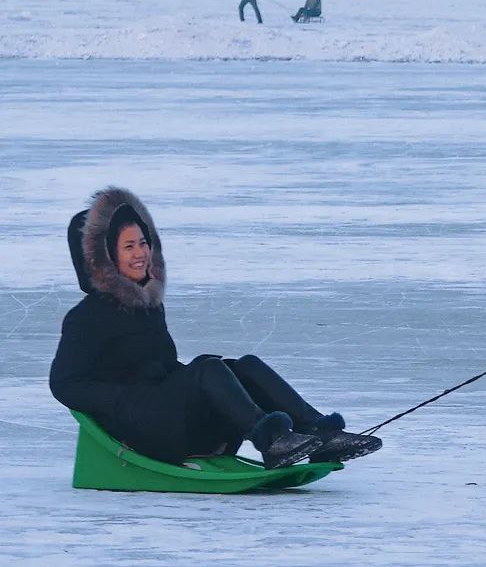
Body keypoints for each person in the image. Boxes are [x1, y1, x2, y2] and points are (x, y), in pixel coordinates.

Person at [49, 187, 382, 469]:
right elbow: (64, 384)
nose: (142, 253)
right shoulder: (86, 317)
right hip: (146, 432)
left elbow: (160, 369)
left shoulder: (147, 306)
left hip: (174, 419)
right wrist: (126, 400)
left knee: (242, 366)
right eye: (129, 246)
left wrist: (190, 378)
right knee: (207, 369)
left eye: (143, 243)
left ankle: (319, 434)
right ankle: (271, 441)